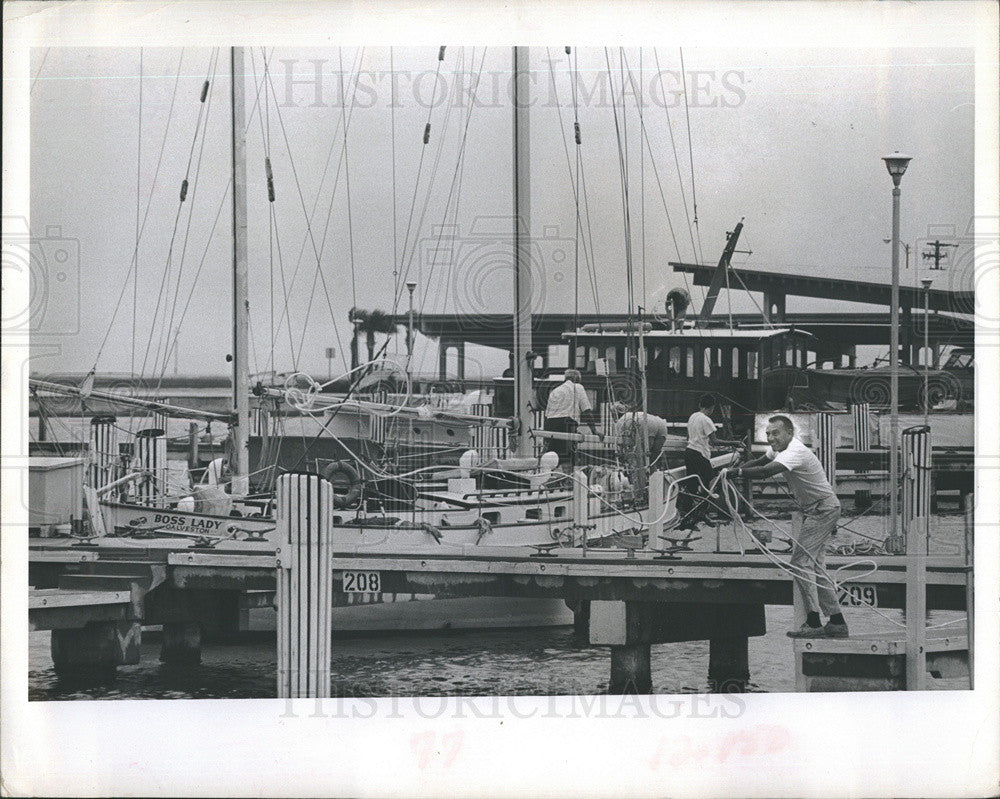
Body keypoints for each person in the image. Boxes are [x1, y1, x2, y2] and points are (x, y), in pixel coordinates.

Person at [730, 414, 847, 638]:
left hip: (823, 509)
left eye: (776, 433)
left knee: (801, 562)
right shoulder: (780, 450)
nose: (771, 438)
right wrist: (732, 472)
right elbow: (761, 462)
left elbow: (766, 472)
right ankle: (836, 622)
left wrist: (738, 473)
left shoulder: (795, 451)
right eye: (768, 434)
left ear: (790, 434)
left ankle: (813, 623)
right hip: (817, 509)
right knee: (816, 565)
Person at [678, 394, 726, 528]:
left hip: (689, 452)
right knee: (711, 484)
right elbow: (715, 441)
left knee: (692, 485)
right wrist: (735, 443)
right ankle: (702, 513)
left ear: (700, 405)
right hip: (700, 454)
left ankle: (687, 515)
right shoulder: (706, 420)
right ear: (712, 408)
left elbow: (688, 436)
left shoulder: (693, 416)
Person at [544, 369, 599, 471]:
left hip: (550, 426)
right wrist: (594, 431)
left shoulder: (555, 390)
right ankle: (568, 482)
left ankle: (549, 480)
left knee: (551, 458)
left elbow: (547, 415)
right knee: (569, 458)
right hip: (567, 423)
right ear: (576, 379)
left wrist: (545, 440)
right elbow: (586, 411)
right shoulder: (578, 387)